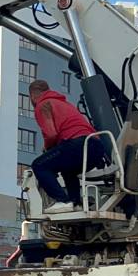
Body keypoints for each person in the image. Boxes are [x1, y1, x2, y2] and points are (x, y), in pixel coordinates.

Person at [27, 79, 111, 214]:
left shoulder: (42, 105)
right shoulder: (64, 103)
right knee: (68, 169)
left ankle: (63, 201)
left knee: (39, 165)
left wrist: (48, 149)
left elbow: (51, 134)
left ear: (32, 95)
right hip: (96, 147)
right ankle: (75, 203)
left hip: (78, 144)